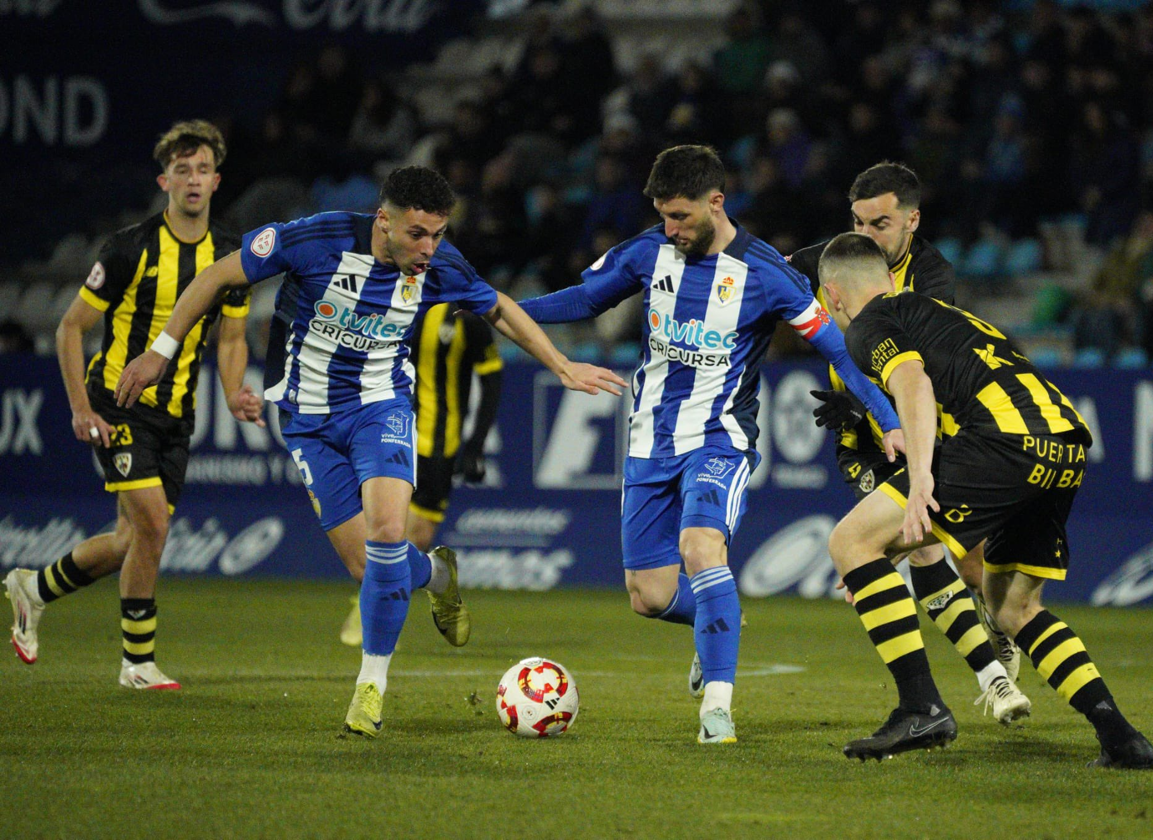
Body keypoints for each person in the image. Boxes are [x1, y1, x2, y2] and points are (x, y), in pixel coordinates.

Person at [115, 166, 625, 737]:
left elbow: (498, 306)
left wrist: (561, 365)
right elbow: (215, 276)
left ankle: (370, 689)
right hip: (307, 422)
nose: (429, 248)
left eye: (438, 233)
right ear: (383, 221)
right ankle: (435, 575)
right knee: (366, 567)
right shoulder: (314, 239)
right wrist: (161, 350)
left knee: (386, 535)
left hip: (382, 407)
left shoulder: (440, 266)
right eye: (417, 234)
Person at [519, 145, 902, 744]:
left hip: (720, 441)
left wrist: (889, 420)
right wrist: (500, 310)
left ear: (716, 202)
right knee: (649, 597)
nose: (670, 229)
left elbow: (840, 354)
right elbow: (583, 299)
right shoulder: (649, 250)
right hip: (649, 442)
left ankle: (717, 710)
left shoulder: (768, 273)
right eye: (664, 216)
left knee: (702, 548)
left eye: (680, 217)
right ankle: (720, 620)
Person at [819, 232, 1153, 769]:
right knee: (1011, 607)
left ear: (832, 295)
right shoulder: (937, 313)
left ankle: (920, 706)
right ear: (888, 277)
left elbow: (912, 384)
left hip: (1005, 441)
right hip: (1064, 444)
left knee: (849, 540)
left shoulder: (868, 326)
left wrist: (921, 478)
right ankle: (1122, 738)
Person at [5, 120, 264, 689]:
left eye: (202, 170)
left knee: (131, 540)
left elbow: (232, 338)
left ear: (217, 181)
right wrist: (79, 408)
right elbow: (70, 329)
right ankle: (137, 664)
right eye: (181, 170)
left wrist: (231, 391)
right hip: (118, 402)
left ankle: (34, 587)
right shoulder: (129, 248)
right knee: (153, 523)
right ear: (163, 179)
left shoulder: (230, 254)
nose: (192, 180)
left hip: (176, 414)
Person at [789, 162, 1028, 724]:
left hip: (923, 430)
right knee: (922, 545)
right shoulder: (837, 256)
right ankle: (992, 682)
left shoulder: (935, 279)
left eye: (881, 223)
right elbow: (763, 277)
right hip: (864, 439)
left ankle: (991, 627)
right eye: (857, 221)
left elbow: (920, 367)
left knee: (971, 569)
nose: (866, 236)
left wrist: (870, 396)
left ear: (912, 221)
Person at [339, 302, 503, 647]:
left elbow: (492, 378)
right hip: (387, 431)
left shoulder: (467, 316)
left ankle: (378, 603)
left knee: (418, 536)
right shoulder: (395, 303)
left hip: (440, 443)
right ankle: (368, 607)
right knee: (383, 526)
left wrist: (475, 443)